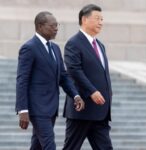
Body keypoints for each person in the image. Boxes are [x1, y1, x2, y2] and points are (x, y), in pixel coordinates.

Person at [15, 11, 84, 150]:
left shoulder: (55, 49)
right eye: (52, 25)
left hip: (51, 107)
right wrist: (22, 109)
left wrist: (75, 95)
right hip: (37, 108)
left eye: (57, 25)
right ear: (40, 26)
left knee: (38, 146)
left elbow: (63, 77)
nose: (56, 28)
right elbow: (22, 80)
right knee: (49, 145)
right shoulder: (29, 48)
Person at [63, 4, 113, 150]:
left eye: (102, 19)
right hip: (82, 110)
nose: (101, 22)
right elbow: (74, 70)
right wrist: (92, 91)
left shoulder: (100, 45)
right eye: (97, 18)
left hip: (100, 111)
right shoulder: (73, 43)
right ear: (84, 20)